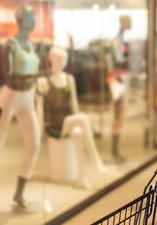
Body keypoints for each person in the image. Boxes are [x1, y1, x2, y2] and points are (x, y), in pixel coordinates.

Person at [37, 47, 107, 189]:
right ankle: (95, 160)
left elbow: (74, 104)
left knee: (78, 131)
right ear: (52, 60)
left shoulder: (69, 79)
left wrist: (80, 123)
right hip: (55, 124)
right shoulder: (44, 81)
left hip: (69, 121)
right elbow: (39, 107)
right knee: (82, 118)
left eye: (64, 58)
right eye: (59, 58)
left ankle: (82, 178)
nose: (63, 62)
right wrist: (39, 132)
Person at [0, 6, 41, 208]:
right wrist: (33, 78)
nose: (33, 22)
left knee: (34, 144)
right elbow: (8, 76)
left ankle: (18, 193)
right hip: (9, 99)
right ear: (21, 20)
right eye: (31, 18)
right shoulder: (10, 45)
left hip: (27, 99)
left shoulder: (31, 45)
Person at [107, 15, 131, 162]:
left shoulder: (121, 40)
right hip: (118, 78)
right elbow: (118, 60)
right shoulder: (117, 41)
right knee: (118, 113)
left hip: (122, 78)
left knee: (120, 114)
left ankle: (115, 150)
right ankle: (114, 151)